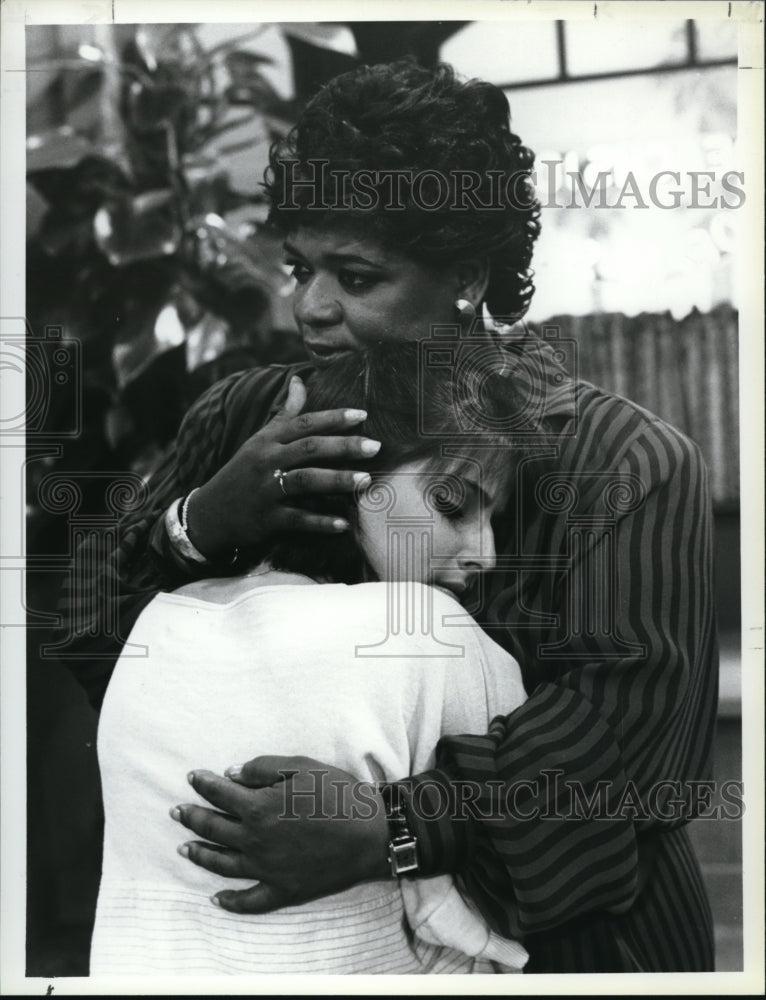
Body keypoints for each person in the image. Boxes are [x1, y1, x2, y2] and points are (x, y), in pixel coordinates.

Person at [57, 60, 717, 973]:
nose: (309, 307)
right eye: (299, 266)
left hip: (571, 956)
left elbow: (627, 759)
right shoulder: (250, 419)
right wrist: (202, 521)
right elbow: (93, 640)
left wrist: (389, 830)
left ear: (466, 276)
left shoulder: (618, 462)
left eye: (355, 276)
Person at [89, 344, 530, 975]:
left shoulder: (157, 624)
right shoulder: (430, 630)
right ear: (345, 475)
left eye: (493, 519)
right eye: (453, 505)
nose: (484, 553)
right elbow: (515, 862)